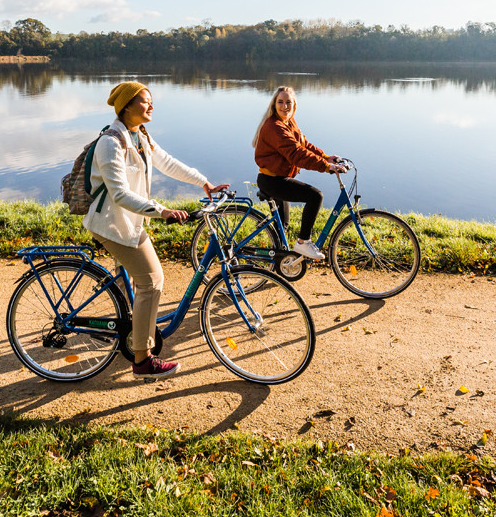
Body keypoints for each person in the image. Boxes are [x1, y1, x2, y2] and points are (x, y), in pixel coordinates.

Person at [83, 81, 227, 380]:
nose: (151, 106)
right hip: (113, 225)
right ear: (127, 106)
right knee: (152, 281)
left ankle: (133, 329)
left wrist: (204, 182)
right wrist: (161, 210)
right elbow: (120, 194)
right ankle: (142, 359)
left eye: (151, 101)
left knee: (142, 282)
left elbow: (167, 163)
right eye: (145, 101)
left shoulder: (140, 136)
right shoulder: (111, 142)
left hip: (130, 222)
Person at [252, 85, 347, 261]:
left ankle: (280, 265)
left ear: (294, 105)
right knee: (315, 196)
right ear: (274, 104)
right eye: (280, 102)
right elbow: (296, 154)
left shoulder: (289, 122)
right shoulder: (275, 127)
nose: (284, 106)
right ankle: (303, 242)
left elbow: (304, 145)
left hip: (278, 178)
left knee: (283, 224)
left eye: (288, 102)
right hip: (272, 181)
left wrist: (326, 158)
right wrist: (325, 167)